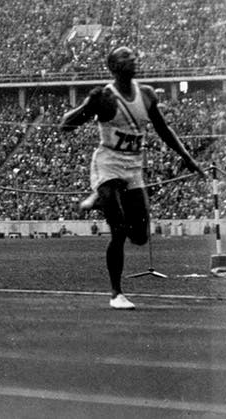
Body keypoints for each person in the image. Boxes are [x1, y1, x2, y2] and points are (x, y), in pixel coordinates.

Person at [60, 46, 206, 310]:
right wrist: (88, 106)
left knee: (139, 237)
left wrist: (187, 158)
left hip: (133, 168)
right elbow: (65, 125)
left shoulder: (147, 95)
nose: (132, 60)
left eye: (133, 56)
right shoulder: (106, 97)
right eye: (125, 58)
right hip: (108, 164)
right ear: (113, 67)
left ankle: (99, 199)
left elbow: (163, 129)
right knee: (118, 230)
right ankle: (116, 293)